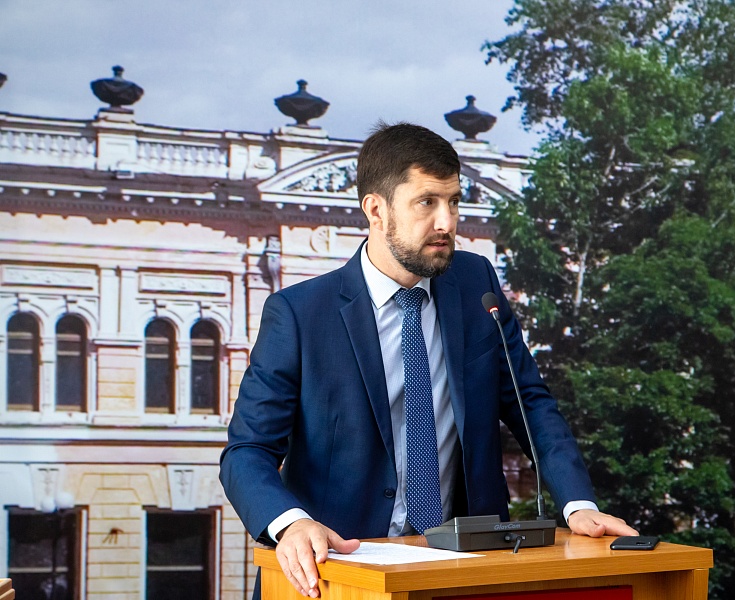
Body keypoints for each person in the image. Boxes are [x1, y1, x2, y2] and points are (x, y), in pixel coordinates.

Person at [220, 122, 637, 599]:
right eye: (427, 202)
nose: (447, 222)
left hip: (464, 570)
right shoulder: (299, 314)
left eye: (454, 201)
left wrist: (578, 505)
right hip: (338, 573)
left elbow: (531, 404)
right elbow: (246, 452)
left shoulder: (477, 283)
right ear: (376, 210)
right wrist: (291, 524)